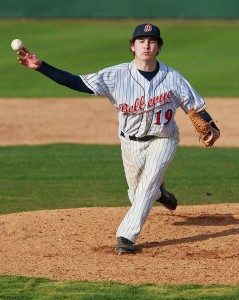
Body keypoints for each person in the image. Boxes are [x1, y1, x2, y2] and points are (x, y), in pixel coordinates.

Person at [16, 23, 220, 254]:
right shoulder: (115, 75)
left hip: (164, 139)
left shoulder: (173, 77)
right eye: (141, 41)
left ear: (159, 48)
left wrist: (212, 126)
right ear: (132, 47)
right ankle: (160, 193)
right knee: (137, 193)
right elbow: (77, 82)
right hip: (130, 142)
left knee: (146, 186)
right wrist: (41, 66)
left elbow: (194, 105)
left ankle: (126, 236)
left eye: (152, 41)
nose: (147, 45)